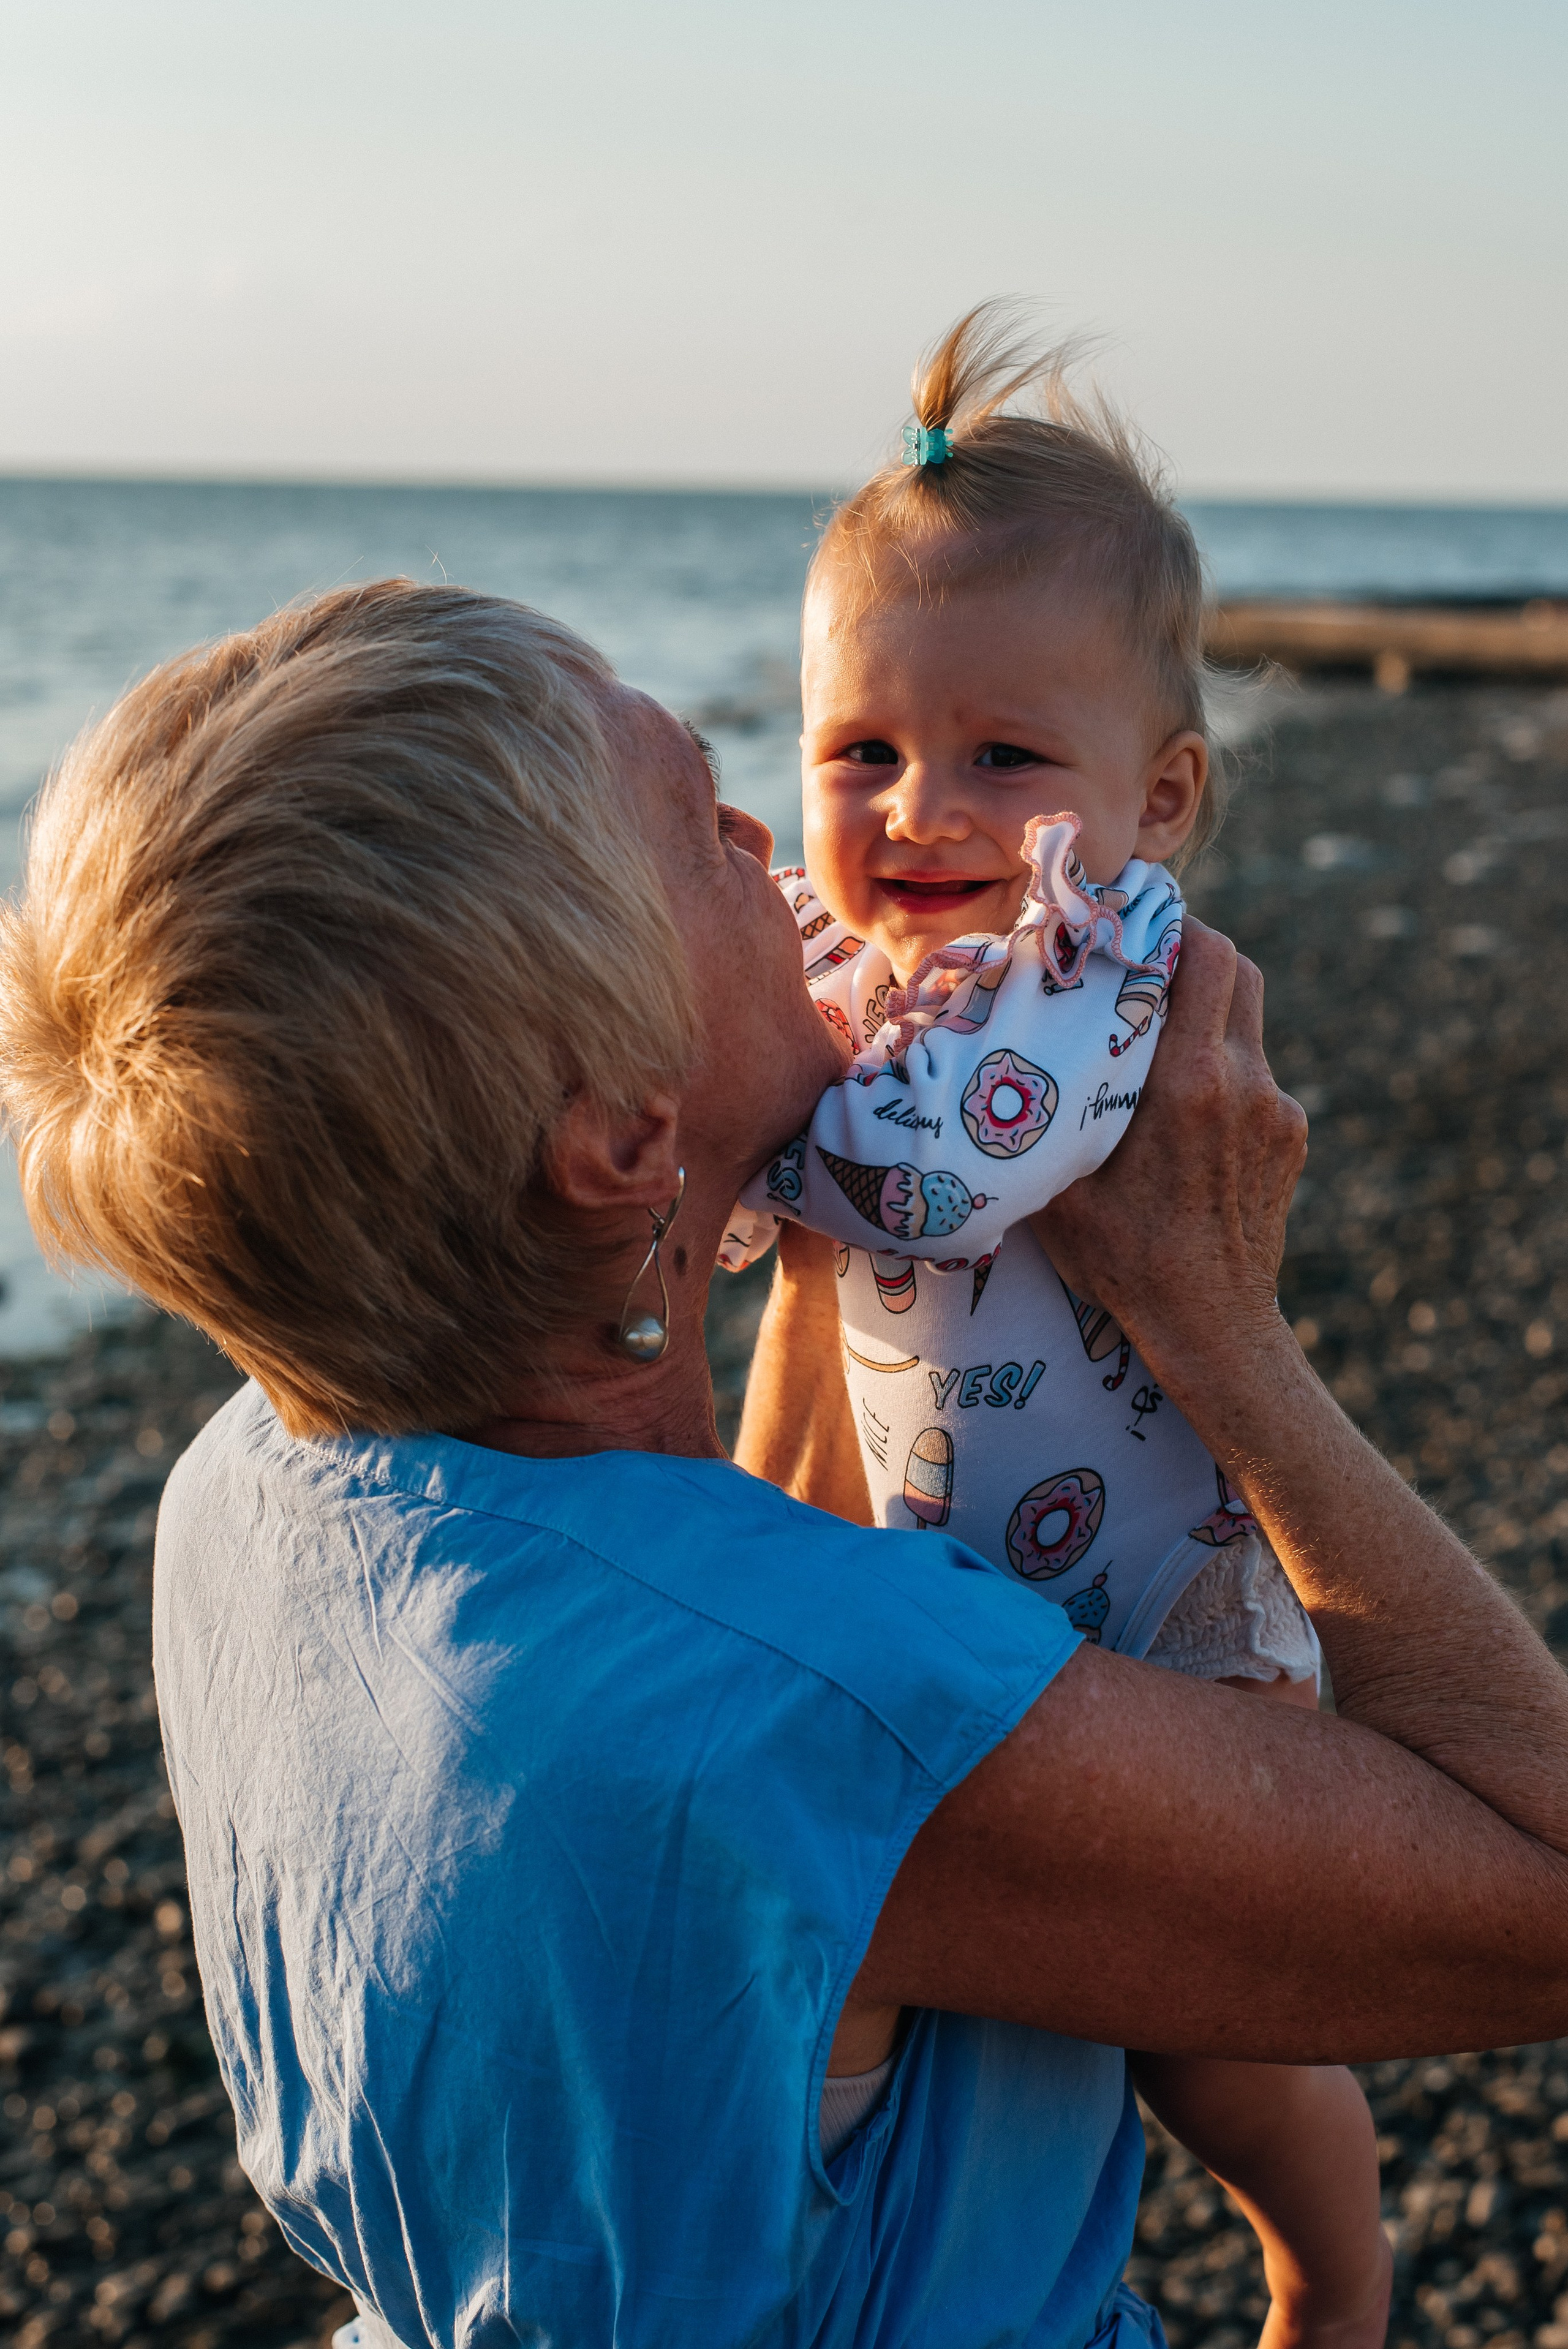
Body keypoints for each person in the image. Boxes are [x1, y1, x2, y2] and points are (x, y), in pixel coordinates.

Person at [2, 581, 1567, 2349]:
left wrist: (831, 1215)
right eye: (697, 822)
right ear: (614, 1140)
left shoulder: (238, 1496)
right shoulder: (817, 1727)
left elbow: (718, 1562)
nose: (769, 829)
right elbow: (1540, 1880)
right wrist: (1218, 1324)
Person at [718, 307, 1370, 2332]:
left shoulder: (1098, 981)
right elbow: (822, 1320)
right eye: (862, 753)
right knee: (904, 1953)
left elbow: (932, 1184)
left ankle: (1331, 2277)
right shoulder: (875, 976)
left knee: (1215, 2035)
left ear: (1156, 795)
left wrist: (753, 1132)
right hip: (972, 1579)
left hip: (1170, 1612)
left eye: (1006, 756)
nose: (919, 808)